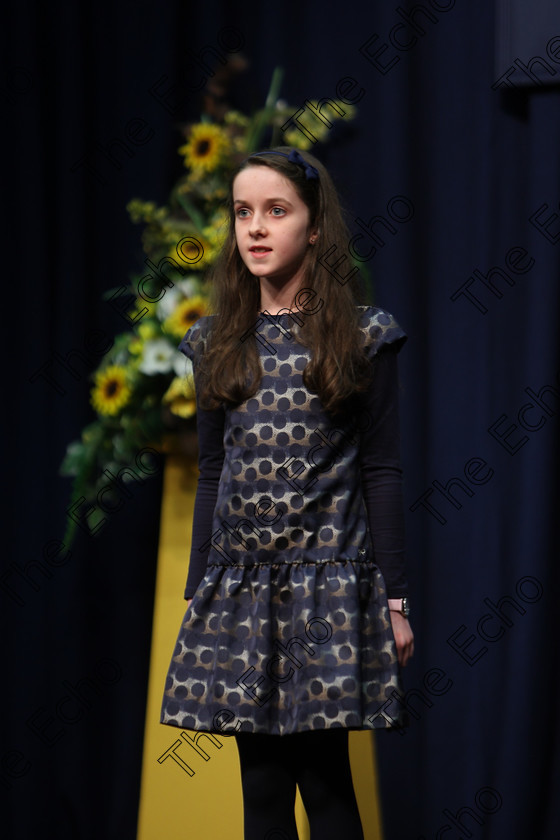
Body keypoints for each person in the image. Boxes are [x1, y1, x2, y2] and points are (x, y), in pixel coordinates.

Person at [160, 146, 414, 839]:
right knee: (262, 789)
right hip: (242, 595)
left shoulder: (362, 336)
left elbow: (381, 470)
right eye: (243, 213)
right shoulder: (216, 342)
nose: (257, 228)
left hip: (328, 592)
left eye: (277, 210)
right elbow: (213, 470)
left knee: (326, 782)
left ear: (316, 228)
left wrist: (395, 599)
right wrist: (199, 594)